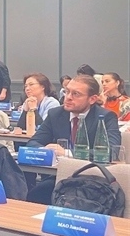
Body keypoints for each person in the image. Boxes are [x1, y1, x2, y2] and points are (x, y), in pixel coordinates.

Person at [26, 75, 121, 205]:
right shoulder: (55, 114)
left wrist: (67, 153)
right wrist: (46, 150)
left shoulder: (106, 117)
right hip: (60, 177)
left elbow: (111, 152)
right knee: (34, 195)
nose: (68, 97)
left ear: (92, 99)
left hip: (93, 180)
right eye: (67, 91)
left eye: (76, 94)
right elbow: (32, 143)